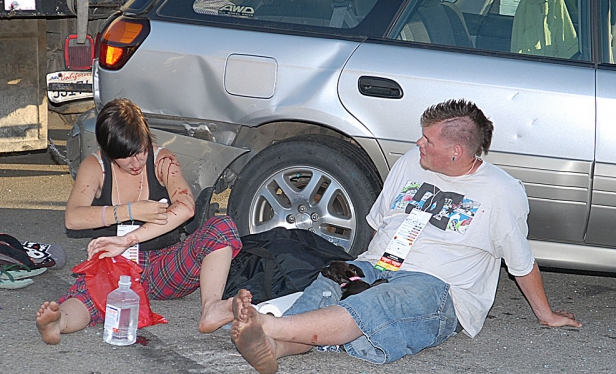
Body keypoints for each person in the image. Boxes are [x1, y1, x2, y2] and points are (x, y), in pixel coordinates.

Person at [229, 99, 582, 374]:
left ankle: (268, 325)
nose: (419, 143)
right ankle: (275, 346)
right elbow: (380, 223)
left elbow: (521, 262)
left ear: (456, 152)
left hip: (437, 287)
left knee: (373, 304)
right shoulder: (412, 162)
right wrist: (363, 269)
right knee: (329, 284)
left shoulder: (501, 193)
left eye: (428, 139)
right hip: (381, 265)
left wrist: (546, 314)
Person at [36, 99, 242, 344]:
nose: (136, 163)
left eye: (141, 151)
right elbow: (72, 218)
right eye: (126, 157)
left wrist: (127, 239)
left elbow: (186, 208)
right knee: (91, 292)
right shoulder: (95, 166)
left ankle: (212, 308)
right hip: (117, 264)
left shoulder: (163, 161)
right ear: (108, 152)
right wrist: (131, 211)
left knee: (221, 226)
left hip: (164, 264)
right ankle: (59, 323)